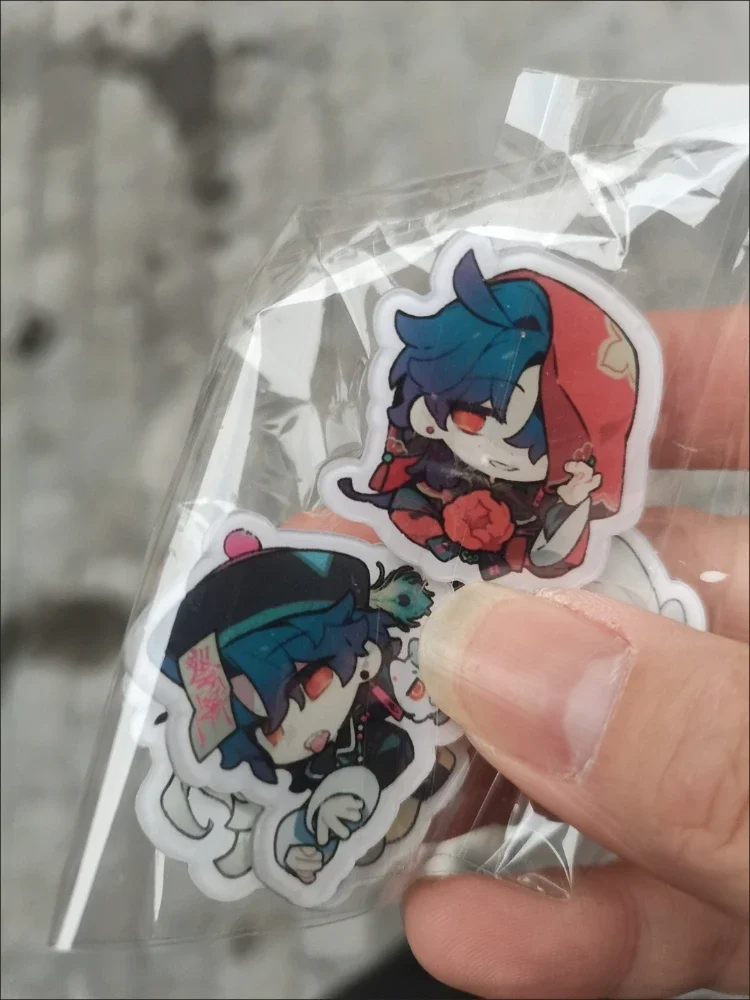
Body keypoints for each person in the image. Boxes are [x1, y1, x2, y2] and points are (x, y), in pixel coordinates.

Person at [400, 302, 749, 999]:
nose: (502, 450)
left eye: (529, 435)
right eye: (471, 418)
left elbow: (555, 549)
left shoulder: (560, 511)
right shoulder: (433, 505)